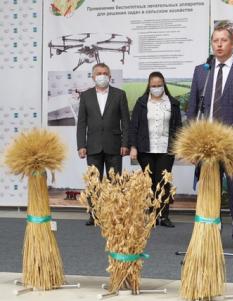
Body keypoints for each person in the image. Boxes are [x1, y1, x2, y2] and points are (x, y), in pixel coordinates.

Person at [187, 26, 233, 254]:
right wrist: (191, 145)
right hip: (207, 144)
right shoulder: (202, 72)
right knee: (209, 191)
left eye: (223, 41)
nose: (218, 45)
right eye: (215, 41)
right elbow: (192, 110)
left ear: (232, 44)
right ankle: (210, 234)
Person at [76, 63, 130, 226]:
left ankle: (116, 213)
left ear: (110, 76)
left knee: (116, 182)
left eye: (105, 73)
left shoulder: (119, 94)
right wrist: (81, 145)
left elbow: (126, 122)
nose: (102, 75)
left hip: (114, 145)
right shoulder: (85, 96)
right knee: (94, 182)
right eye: (99, 73)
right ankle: (94, 215)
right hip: (92, 146)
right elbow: (82, 123)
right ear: (93, 77)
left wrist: (125, 143)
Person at [128, 71, 182, 227]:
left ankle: (164, 216)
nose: (157, 88)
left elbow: (178, 127)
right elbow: (134, 126)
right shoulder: (141, 103)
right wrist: (133, 147)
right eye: (154, 86)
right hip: (145, 150)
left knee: (164, 182)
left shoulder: (173, 103)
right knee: (149, 183)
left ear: (164, 85)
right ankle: (151, 215)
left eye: (159, 85)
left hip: (166, 149)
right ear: (149, 86)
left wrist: (178, 146)